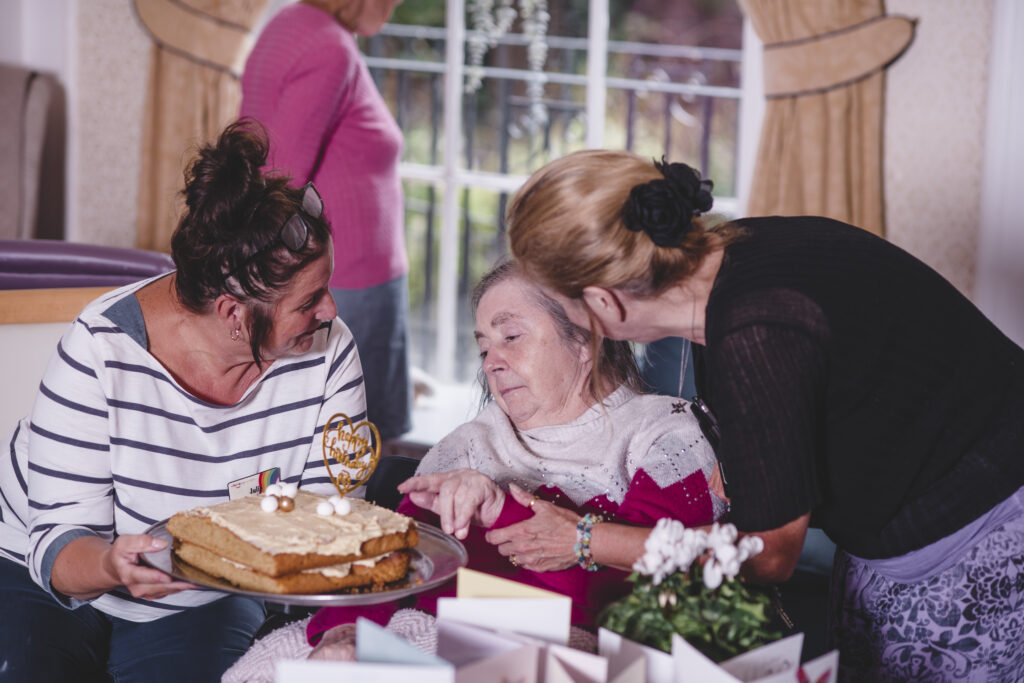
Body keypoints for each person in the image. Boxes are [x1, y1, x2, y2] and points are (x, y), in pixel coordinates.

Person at [505, 149, 1024, 681]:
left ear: (604, 303)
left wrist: (583, 539)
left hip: (980, 525)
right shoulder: (733, 255)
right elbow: (833, 392)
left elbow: (768, 555)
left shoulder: (757, 330)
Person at [0, 121, 368, 682]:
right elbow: (59, 547)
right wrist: (112, 564)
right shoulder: (100, 348)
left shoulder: (329, 351)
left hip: (206, 590)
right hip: (42, 569)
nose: (331, 311)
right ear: (233, 314)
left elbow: (328, 522)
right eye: (309, 300)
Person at [303, 258, 727, 652]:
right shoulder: (468, 444)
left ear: (585, 337)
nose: (491, 363)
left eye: (511, 337)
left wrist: (500, 511)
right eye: (484, 348)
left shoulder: (665, 435)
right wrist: (341, 634)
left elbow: (638, 601)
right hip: (420, 638)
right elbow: (390, 566)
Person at [240, 0, 412, 443]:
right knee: (356, 444)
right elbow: (280, 176)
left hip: (345, 278)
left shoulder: (290, 24)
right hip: (348, 281)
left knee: (341, 438)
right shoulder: (328, 46)